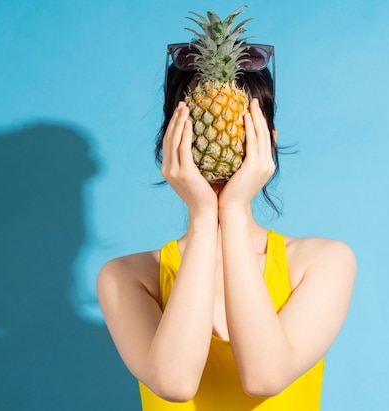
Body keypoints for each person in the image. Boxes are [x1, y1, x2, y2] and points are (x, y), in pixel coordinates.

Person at [97, 42, 357, 410]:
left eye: (239, 128)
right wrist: (204, 217)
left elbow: (265, 377)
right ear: (171, 141)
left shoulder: (323, 262)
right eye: (201, 127)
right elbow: (175, 383)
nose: (219, 140)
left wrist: (232, 210)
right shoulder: (126, 276)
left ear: (269, 142)